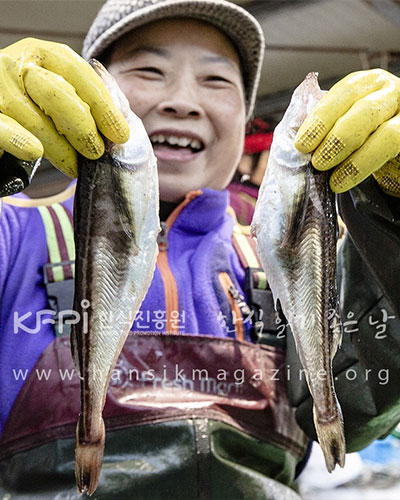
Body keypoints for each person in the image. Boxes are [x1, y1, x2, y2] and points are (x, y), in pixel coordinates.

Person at [0, 0, 399, 498]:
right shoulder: (12, 236)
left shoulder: (281, 262)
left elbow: (368, 403)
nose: (183, 101)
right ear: (78, 93)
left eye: (216, 81)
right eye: (149, 70)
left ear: (247, 119)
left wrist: (393, 218)